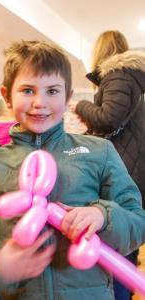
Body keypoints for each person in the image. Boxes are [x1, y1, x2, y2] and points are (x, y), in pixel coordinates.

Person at [0, 40, 145, 300]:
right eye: (28, 90)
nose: (40, 102)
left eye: (52, 91)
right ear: (7, 96)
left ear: (67, 97)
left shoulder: (100, 152)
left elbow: (137, 221)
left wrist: (102, 216)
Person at [73, 30, 145, 300]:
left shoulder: (118, 76)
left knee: (116, 246)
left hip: (123, 168)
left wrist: (80, 105)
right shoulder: (129, 78)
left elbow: (108, 119)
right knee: (126, 242)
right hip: (133, 166)